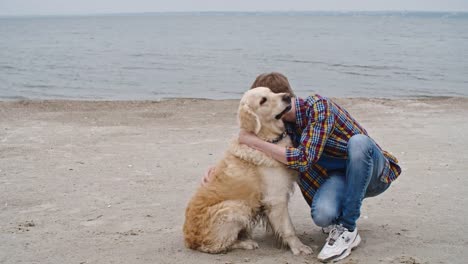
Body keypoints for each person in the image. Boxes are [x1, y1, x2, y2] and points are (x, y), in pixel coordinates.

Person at [203, 72, 401, 262]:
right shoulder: (282, 129)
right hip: (340, 178)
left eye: (265, 101)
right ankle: (337, 219)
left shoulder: (319, 107)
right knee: (323, 215)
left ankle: (348, 229)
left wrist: (254, 142)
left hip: (374, 173)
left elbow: (303, 159)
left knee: (359, 143)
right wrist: (220, 172)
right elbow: (252, 151)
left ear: (282, 99)